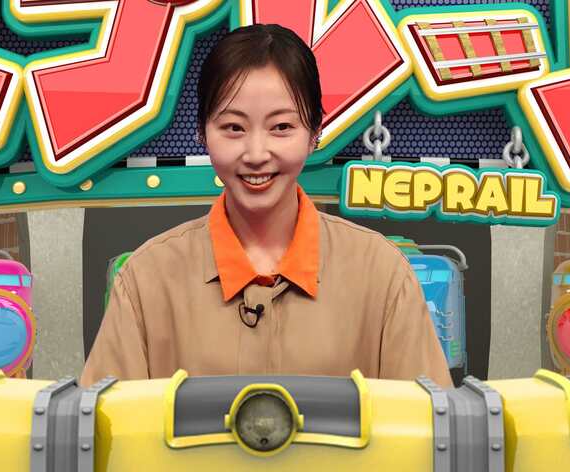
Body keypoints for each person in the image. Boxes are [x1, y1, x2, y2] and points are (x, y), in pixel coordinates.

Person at [80, 24, 452, 388]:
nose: (256, 154)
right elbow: (103, 422)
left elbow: (431, 421)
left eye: (281, 127)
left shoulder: (383, 274)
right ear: (201, 133)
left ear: (315, 133)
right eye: (234, 128)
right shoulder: (147, 280)